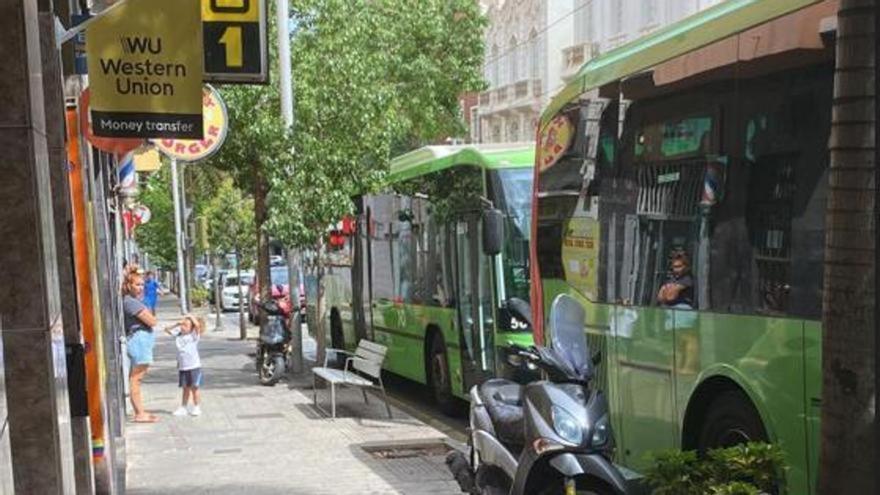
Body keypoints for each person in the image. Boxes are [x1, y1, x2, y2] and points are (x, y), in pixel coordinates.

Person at [122, 265, 158, 423]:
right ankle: (139, 413)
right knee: (136, 378)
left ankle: (140, 411)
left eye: (142, 284)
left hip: (141, 339)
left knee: (137, 377)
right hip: (139, 340)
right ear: (129, 285)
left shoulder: (135, 301)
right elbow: (152, 320)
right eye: (137, 284)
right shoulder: (131, 303)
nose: (140, 288)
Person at [165, 315, 204, 416]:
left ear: (191, 329)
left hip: (194, 366)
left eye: (186, 326)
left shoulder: (193, 336)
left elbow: (197, 325)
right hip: (183, 367)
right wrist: (177, 324)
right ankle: (183, 407)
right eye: (182, 325)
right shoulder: (178, 335)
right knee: (185, 388)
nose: (183, 327)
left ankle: (196, 407)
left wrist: (190, 316)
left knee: (194, 388)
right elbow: (166, 329)